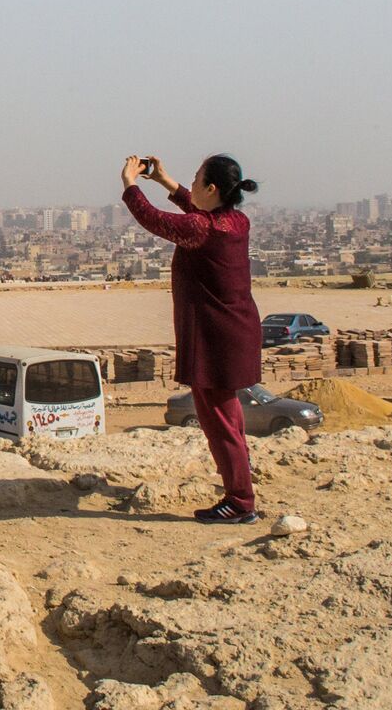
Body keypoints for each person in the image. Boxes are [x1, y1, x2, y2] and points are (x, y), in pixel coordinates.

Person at [122, 153, 263, 524]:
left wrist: (130, 184)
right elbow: (199, 214)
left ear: (212, 188)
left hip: (214, 337)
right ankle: (240, 486)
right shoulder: (236, 221)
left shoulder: (202, 230)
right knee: (228, 416)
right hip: (234, 330)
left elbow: (156, 220)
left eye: (196, 178)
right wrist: (167, 182)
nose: (193, 183)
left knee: (217, 419)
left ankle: (240, 500)